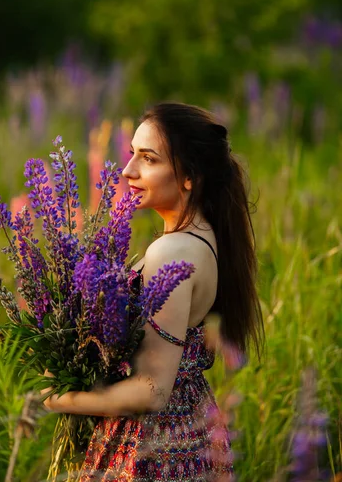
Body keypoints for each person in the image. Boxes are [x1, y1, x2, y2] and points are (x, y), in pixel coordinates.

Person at [43, 102, 264, 481]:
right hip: (191, 428)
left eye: (148, 159)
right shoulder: (204, 238)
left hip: (154, 445)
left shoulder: (172, 252)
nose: (128, 170)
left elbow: (153, 390)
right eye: (132, 154)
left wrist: (63, 398)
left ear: (190, 176)